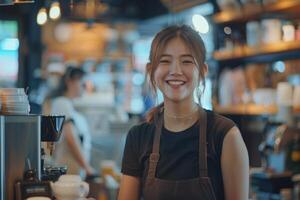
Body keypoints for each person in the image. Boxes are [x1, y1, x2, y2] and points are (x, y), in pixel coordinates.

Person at [118, 25, 249, 200]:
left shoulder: (225, 135)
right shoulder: (138, 137)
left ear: (203, 71)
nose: (176, 71)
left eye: (186, 61)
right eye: (165, 61)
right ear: (151, 70)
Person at [46, 66, 95, 176]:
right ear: (70, 82)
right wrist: (87, 167)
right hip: (67, 172)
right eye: (82, 83)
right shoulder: (62, 103)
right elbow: (70, 137)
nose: (84, 87)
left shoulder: (69, 106)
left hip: (73, 172)